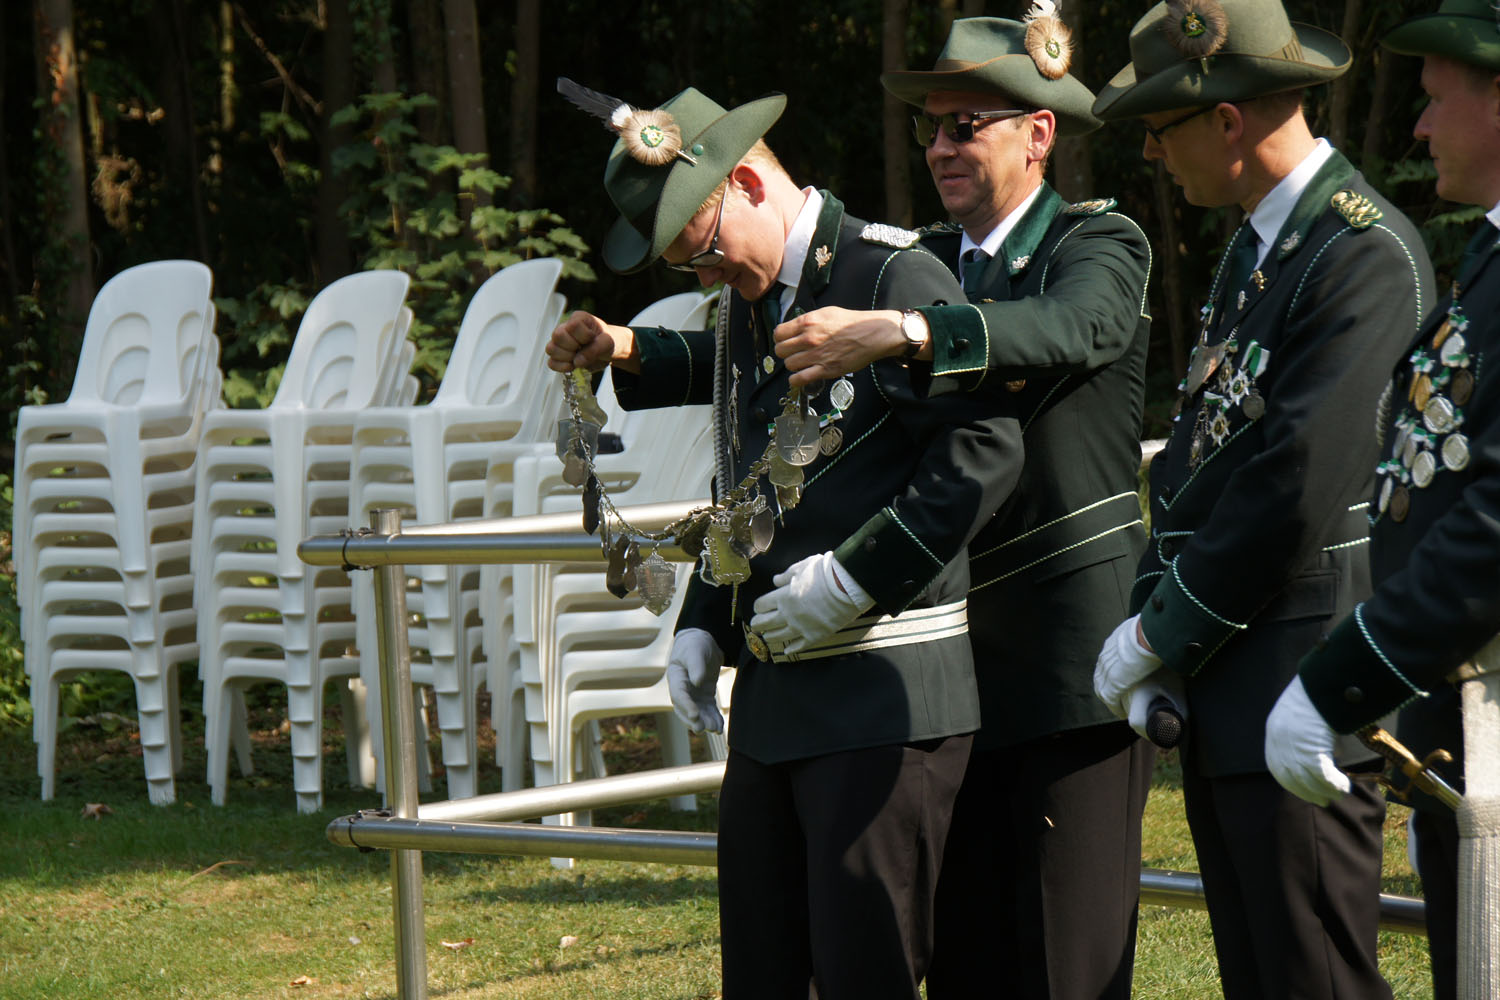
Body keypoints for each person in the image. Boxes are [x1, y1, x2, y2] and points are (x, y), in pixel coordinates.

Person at [544, 82, 1024, 999]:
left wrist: (858, 579)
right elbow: (747, 477)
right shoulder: (746, 302)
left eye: (705, 253)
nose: (706, 280)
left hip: (885, 694)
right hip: (775, 706)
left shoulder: (888, 278)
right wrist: (702, 619)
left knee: (864, 976)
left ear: (750, 185)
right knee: (762, 974)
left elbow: (983, 453)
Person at [774, 15, 1154, 998]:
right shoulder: (930, 257)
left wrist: (906, 330)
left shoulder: (1097, 241)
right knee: (965, 964)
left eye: (965, 126)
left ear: (1039, 134)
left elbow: (1074, 325)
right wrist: (635, 353)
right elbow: (801, 336)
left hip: (1066, 668)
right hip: (950, 677)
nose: (941, 147)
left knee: (1066, 965)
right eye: (931, 129)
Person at [1087, 0, 1436, 996]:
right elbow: (1198, 461)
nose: (1152, 154)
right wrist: (1161, 630)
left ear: (1228, 121)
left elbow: (1296, 479)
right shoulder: (1262, 246)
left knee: (1311, 976)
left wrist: (1163, 629)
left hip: (1300, 684)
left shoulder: (1360, 251)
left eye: (1161, 130)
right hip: (1236, 685)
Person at [1261, 3, 1500, 997]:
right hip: (1463, 711)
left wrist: (1342, 679)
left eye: (1437, 100)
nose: (1419, 125)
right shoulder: (1488, 259)